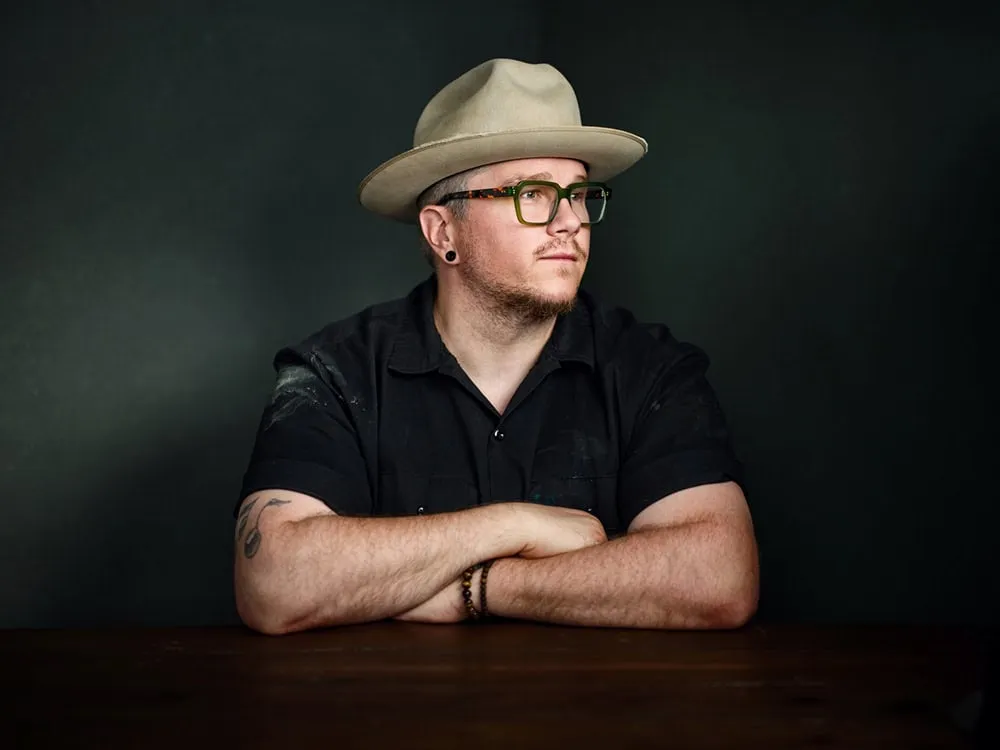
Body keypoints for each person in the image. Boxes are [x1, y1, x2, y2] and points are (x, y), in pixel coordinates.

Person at [233, 58, 759, 635]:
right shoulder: (334, 373)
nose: (570, 222)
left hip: (605, 719)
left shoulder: (650, 368)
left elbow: (720, 577)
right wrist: (514, 526)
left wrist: (477, 589)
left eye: (580, 194)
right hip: (388, 721)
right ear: (443, 233)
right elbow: (274, 584)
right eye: (532, 194)